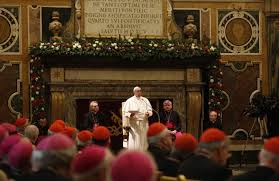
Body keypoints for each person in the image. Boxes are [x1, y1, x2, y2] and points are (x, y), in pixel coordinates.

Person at [123, 86, 153, 151]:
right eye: (137, 91)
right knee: (135, 139)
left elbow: (150, 111)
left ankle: (144, 152)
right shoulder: (129, 100)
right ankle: (134, 153)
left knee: (144, 138)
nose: (139, 92)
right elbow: (125, 113)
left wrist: (148, 113)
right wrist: (131, 114)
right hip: (134, 123)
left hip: (144, 122)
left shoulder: (145, 100)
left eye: (140, 91)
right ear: (134, 92)